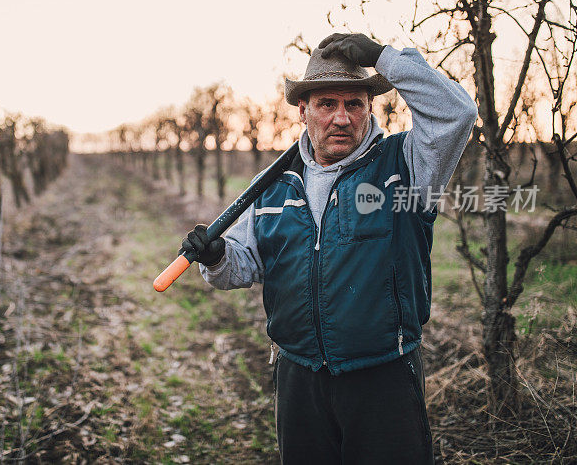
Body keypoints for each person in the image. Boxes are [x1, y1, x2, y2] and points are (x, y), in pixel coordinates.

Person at [180, 33, 478, 464]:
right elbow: (241, 267)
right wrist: (215, 255)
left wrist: (383, 58)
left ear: (369, 108)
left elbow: (458, 112)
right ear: (303, 111)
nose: (341, 118)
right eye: (326, 104)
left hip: (384, 377)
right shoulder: (273, 186)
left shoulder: (407, 168)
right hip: (298, 378)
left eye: (353, 103)